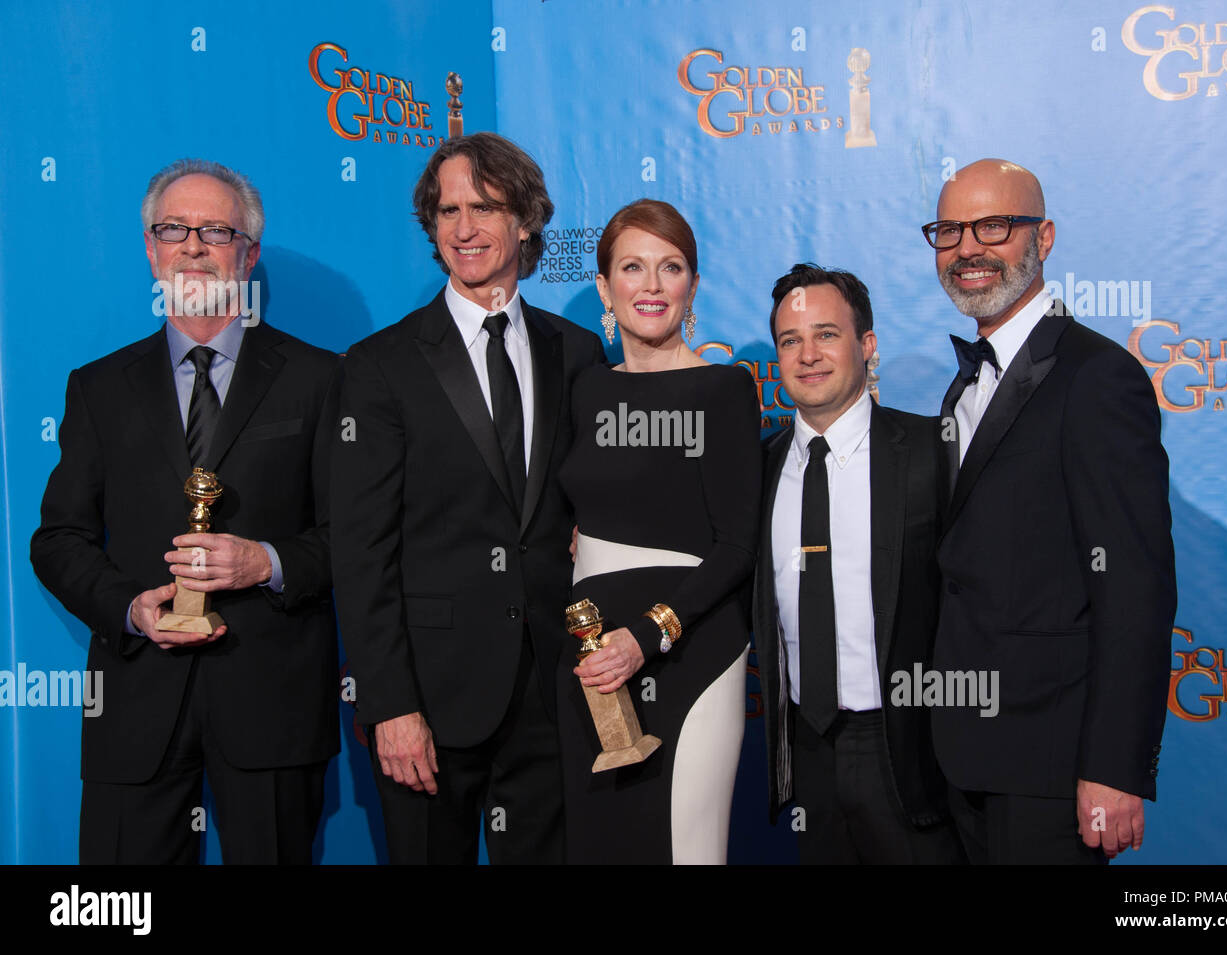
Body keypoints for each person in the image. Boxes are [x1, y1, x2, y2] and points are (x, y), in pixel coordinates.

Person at [30, 158, 340, 864]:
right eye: (174, 228)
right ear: (149, 246)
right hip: (136, 699)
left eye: (216, 230)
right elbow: (59, 539)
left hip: (273, 704)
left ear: (249, 253)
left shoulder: (321, 379)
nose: (193, 245)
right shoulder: (99, 388)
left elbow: (354, 535)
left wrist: (268, 561)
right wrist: (129, 607)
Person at [331, 132, 605, 864]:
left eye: (484, 206)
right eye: (447, 210)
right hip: (428, 698)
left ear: (526, 220)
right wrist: (389, 704)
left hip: (552, 691)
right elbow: (360, 551)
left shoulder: (576, 353)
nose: (462, 228)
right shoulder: (381, 366)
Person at [923, 158, 1176, 863]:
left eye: (994, 225)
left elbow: (1135, 586)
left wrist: (1115, 767)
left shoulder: (1098, 377)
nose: (968, 248)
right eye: (949, 230)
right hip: (962, 757)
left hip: (1053, 766)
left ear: (1046, 237)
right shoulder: (962, 387)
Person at [557, 198, 760, 864]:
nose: (650, 285)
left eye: (670, 267)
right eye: (633, 267)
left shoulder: (724, 389)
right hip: (591, 664)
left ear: (692, 286)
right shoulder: (583, 390)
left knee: (687, 847)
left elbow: (737, 544)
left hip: (690, 652)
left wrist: (647, 636)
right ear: (604, 286)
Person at [752, 263, 964, 864]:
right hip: (805, 748)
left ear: (867, 346)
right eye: (790, 340)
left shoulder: (932, 451)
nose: (808, 354)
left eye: (827, 334)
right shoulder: (759, 467)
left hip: (911, 754)